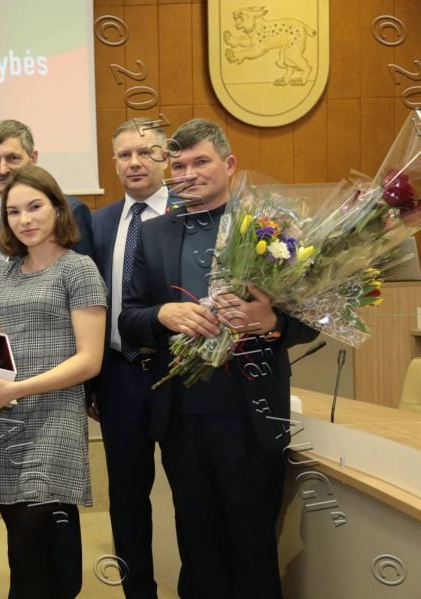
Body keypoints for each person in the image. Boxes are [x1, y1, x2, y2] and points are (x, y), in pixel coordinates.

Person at [119, 119, 319, 598]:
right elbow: (128, 318)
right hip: (181, 416)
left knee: (253, 546)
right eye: (179, 165)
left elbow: (311, 320)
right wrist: (162, 314)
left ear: (229, 165)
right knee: (198, 547)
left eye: (201, 162)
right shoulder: (153, 233)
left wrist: (270, 320)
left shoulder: (271, 228)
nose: (188, 173)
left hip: (251, 415)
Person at [0, 165, 106, 599]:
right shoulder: (4, 271)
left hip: (55, 418)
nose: (24, 219)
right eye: (14, 211)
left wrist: (16, 389)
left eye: (35, 206)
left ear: (58, 208)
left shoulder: (79, 269)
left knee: (30, 538)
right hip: (7, 418)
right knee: (22, 547)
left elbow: (90, 360)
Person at [90, 119, 178, 599]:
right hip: (119, 376)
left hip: (180, 375)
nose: (135, 162)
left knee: (190, 492)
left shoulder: (189, 214)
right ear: (114, 162)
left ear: (165, 157)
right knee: (126, 498)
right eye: (124, 155)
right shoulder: (99, 223)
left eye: (146, 152)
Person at [0, 119, 94, 325]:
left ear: (33, 157)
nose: (2, 169)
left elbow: (84, 294)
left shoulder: (70, 212)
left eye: (12, 158)